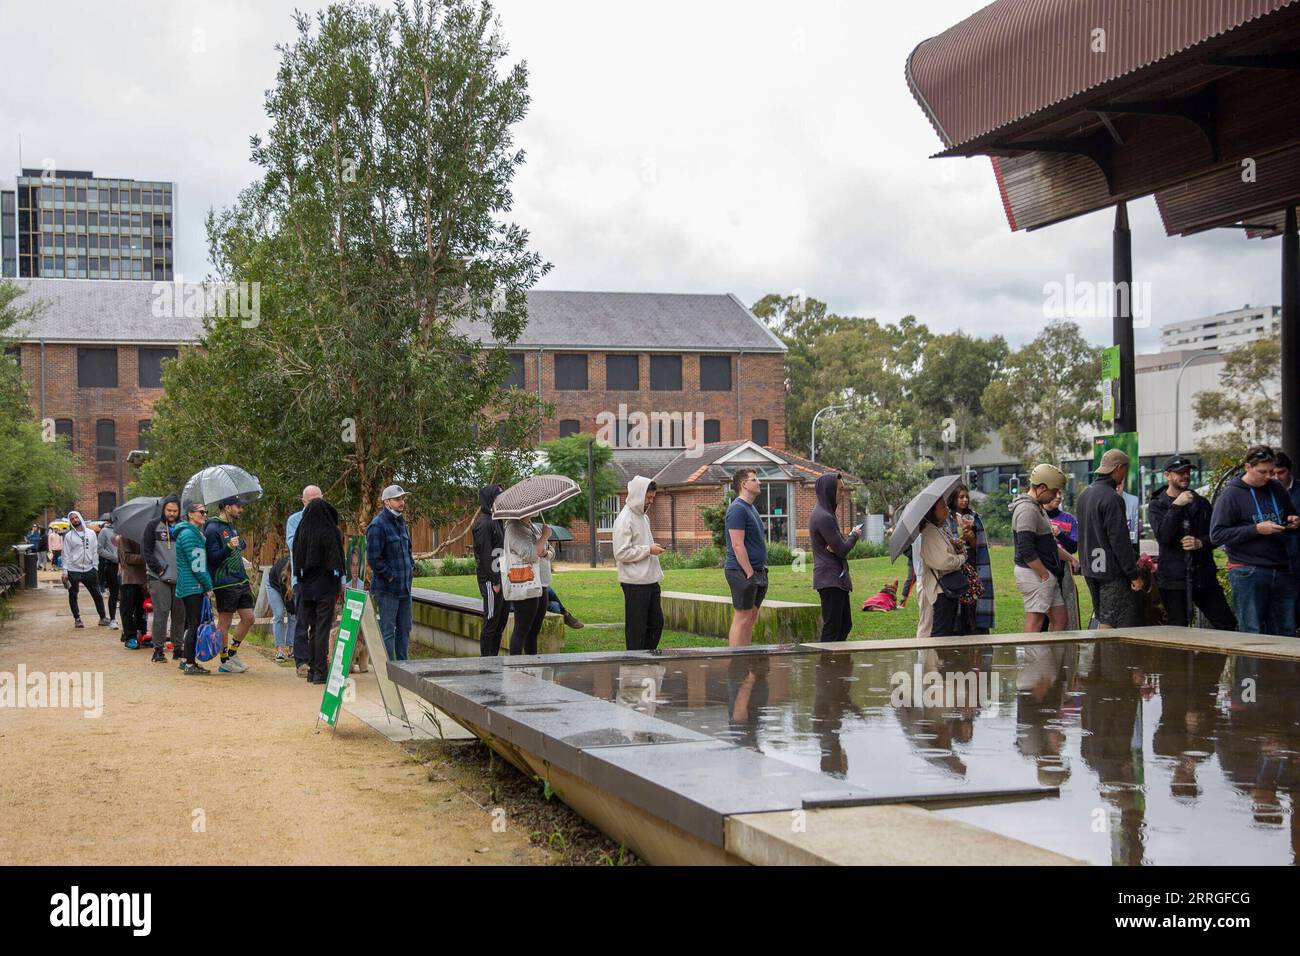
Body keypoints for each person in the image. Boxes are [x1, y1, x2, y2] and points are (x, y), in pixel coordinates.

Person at [1210, 445, 1300, 636]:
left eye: (1271, 471)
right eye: (1262, 472)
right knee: (1252, 632)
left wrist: (1293, 521)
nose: (1268, 477)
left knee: (1286, 631)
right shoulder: (1231, 494)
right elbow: (1217, 535)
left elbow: (1290, 514)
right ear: (1247, 467)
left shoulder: (1277, 488)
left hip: (1281, 568)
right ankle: (1251, 666)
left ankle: (1283, 667)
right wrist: (1256, 529)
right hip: (1247, 570)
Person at [1147, 456, 1237, 631]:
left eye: (1187, 472)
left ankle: (1207, 659)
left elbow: (1216, 535)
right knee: (1177, 629)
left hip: (1202, 575)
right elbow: (1164, 536)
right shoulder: (1157, 505)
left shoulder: (1201, 503)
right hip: (1173, 578)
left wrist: (1200, 543)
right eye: (1180, 473)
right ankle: (1183, 659)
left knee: (1226, 623)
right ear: (1167, 475)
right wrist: (1176, 506)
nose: (1185, 476)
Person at [1077, 449, 1144, 629]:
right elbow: (1119, 540)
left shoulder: (1084, 495)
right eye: (1125, 470)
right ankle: (1105, 657)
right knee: (1109, 622)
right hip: (1110, 571)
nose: (1125, 474)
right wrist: (1133, 574)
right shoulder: (1112, 498)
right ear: (1118, 468)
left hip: (1089, 567)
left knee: (1102, 617)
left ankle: (1103, 656)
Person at [1011, 464, 1070, 633]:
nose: (1056, 496)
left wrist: (1071, 559)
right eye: (1054, 491)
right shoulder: (1026, 510)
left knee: (1060, 618)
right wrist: (1044, 575)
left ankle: (1050, 656)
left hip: (1044, 572)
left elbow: (1048, 544)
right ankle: (1033, 659)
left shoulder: (1037, 507)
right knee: (1035, 621)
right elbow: (1025, 548)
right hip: (1035, 573)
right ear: (1042, 488)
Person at [293, 497, 344, 684]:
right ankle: (321, 672)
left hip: (306, 586)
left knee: (313, 629)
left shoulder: (302, 531)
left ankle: (312, 670)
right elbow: (336, 561)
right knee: (323, 628)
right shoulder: (330, 531)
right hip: (325, 586)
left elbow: (297, 560)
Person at [613, 476, 666, 651]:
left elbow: (641, 545)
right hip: (634, 583)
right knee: (636, 628)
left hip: (650, 580)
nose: (651, 501)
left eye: (652, 498)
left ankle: (646, 658)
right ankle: (635, 663)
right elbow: (621, 552)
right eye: (648, 497)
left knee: (656, 623)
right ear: (638, 495)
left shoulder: (643, 517)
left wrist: (650, 548)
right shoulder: (624, 519)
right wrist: (648, 550)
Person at [204, 497, 255, 673]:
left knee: (249, 618)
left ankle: (232, 654)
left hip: (240, 579)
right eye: (238, 507)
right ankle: (224, 660)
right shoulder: (212, 528)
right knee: (224, 622)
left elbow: (233, 549)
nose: (240, 510)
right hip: (224, 583)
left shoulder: (231, 526)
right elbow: (212, 558)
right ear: (227, 507)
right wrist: (228, 547)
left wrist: (240, 544)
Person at [809, 472, 861, 642]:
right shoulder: (824, 516)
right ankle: (827, 665)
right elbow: (842, 549)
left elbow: (837, 546)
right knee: (832, 627)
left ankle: (837, 663)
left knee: (845, 625)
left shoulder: (827, 514)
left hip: (835, 578)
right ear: (828, 491)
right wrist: (854, 534)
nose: (842, 493)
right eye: (839, 490)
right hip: (830, 579)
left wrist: (839, 543)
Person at [366, 484, 414, 660]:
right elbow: (373, 558)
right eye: (397, 499)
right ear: (387, 502)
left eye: (402, 499)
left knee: (405, 628)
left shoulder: (401, 522)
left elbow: (408, 551)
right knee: (388, 631)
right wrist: (391, 575)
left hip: (405, 588)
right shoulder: (377, 525)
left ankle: (404, 667)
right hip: (387, 589)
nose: (402, 502)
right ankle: (389, 670)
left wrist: (410, 569)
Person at [724, 468, 768, 646]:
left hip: (758, 571)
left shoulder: (750, 508)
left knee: (751, 616)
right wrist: (749, 573)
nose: (759, 482)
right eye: (754, 479)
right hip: (741, 571)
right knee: (742, 617)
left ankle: (746, 657)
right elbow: (737, 544)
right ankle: (737, 661)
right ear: (744, 484)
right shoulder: (737, 509)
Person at [915, 493, 969, 638]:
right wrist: (961, 558)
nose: (946, 509)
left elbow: (945, 553)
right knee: (939, 632)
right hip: (939, 589)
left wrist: (956, 546)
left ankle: (940, 660)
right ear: (933, 512)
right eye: (942, 507)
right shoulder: (930, 533)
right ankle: (933, 660)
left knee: (945, 630)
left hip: (944, 589)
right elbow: (942, 562)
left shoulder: (939, 529)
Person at [174, 500, 216, 675]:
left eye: (205, 512)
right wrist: (208, 586)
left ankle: (185, 659)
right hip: (193, 585)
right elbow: (197, 565)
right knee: (194, 625)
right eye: (201, 512)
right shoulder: (190, 535)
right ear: (190, 514)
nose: (204, 515)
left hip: (189, 585)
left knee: (191, 624)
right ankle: (190, 663)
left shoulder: (192, 534)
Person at [501, 515, 552, 655]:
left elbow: (549, 551)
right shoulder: (513, 528)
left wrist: (544, 549)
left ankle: (532, 666)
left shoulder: (532, 526)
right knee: (522, 629)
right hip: (525, 583)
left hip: (541, 583)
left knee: (534, 631)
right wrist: (545, 536)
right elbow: (531, 554)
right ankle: (515, 668)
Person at [946, 483, 994, 634]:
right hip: (955, 564)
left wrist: (971, 538)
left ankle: (975, 630)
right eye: (961, 497)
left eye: (966, 497)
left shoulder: (973, 517)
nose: (965, 500)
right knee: (959, 599)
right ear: (953, 498)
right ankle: (958, 630)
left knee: (974, 599)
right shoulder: (947, 518)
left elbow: (977, 546)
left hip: (972, 562)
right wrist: (959, 539)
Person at [143, 494, 185, 663]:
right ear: (163, 509)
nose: (172, 513)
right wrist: (159, 570)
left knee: (180, 615)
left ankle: (178, 648)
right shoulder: (153, 526)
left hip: (180, 578)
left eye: (175, 510)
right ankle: (158, 649)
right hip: (158, 578)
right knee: (161, 614)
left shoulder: (184, 527)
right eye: (169, 510)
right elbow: (146, 551)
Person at [472, 484, 510, 657]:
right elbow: (485, 556)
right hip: (490, 580)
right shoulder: (484, 524)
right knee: (491, 620)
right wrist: (494, 581)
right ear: (489, 499)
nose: (500, 500)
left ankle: (493, 660)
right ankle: (486, 661)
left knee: (501, 621)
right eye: (498, 497)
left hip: (501, 577)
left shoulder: (497, 521)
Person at [61, 511, 109, 628]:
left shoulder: (91, 533)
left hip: (89, 569)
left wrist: (95, 566)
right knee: (73, 594)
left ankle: (102, 617)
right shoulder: (69, 536)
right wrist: (65, 571)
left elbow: (94, 550)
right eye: (72, 519)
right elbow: (65, 554)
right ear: (70, 522)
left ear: (80, 518)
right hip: (74, 569)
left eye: (76, 517)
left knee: (97, 593)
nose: (75, 520)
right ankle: (77, 618)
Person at [1276, 452, 1300, 632]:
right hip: (1277, 561)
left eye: (1281, 473)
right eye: (1273, 473)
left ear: (1289, 472)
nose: (1277, 477)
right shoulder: (1267, 492)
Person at [117, 530, 148, 649]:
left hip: (144, 578)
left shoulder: (147, 534)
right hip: (129, 578)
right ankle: (130, 636)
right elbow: (127, 557)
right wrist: (147, 556)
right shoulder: (125, 536)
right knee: (127, 609)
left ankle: (143, 633)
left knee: (143, 609)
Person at [266, 551, 296, 663]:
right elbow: (287, 600)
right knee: (279, 614)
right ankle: (279, 650)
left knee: (293, 616)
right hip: (273, 585)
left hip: (287, 587)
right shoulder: (283, 575)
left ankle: (292, 648)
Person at [97, 516, 121, 630]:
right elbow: (100, 549)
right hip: (112, 565)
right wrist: (114, 557)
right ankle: (112, 619)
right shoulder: (105, 531)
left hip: (127, 566)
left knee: (127, 594)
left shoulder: (125, 530)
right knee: (114, 593)